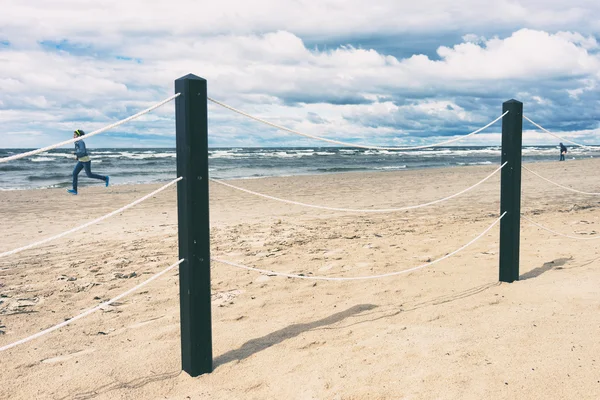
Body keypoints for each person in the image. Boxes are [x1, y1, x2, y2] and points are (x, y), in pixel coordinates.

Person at [67, 129, 109, 195]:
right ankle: (75, 190)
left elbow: (83, 152)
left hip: (86, 161)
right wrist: (77, 157)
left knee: (89, 175)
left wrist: (75, 153)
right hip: (81, 161)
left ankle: (105, 178)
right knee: (75, 173)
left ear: (79, 135)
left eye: (75, 135)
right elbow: (79, 151)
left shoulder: (80, 142)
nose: (73, 136)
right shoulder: (76, 142)